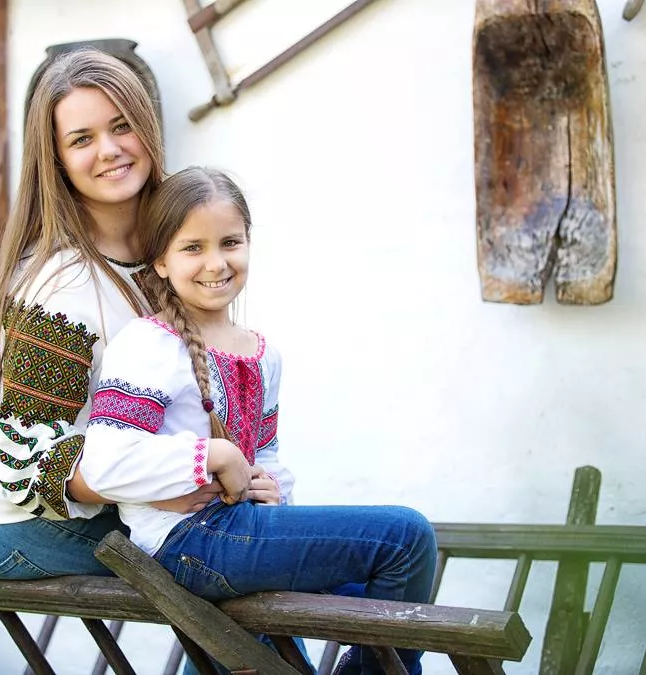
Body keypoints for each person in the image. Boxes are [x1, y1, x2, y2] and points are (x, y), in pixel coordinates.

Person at [81, 166, 438, 675]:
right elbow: (105, 463)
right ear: (160, 260)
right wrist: (214, 456)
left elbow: (265, 451)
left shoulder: (263, 354)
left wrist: (270, 489)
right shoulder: (147, 344)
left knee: (376, 592)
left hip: (241, 532)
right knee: (404, 539)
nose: (216, 263)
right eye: (193, 247)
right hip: (187, 539)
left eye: (230, 242)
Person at [0, 48, 222, 579]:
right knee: (226, 553)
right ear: (57, 161)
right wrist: (158, 485)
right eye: (81, 139)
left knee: (254, 538)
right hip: (17, 523)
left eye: (122, 126)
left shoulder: (173, 255)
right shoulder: (63, 286)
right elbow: (26, 465)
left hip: (110, 496)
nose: (110, 150)